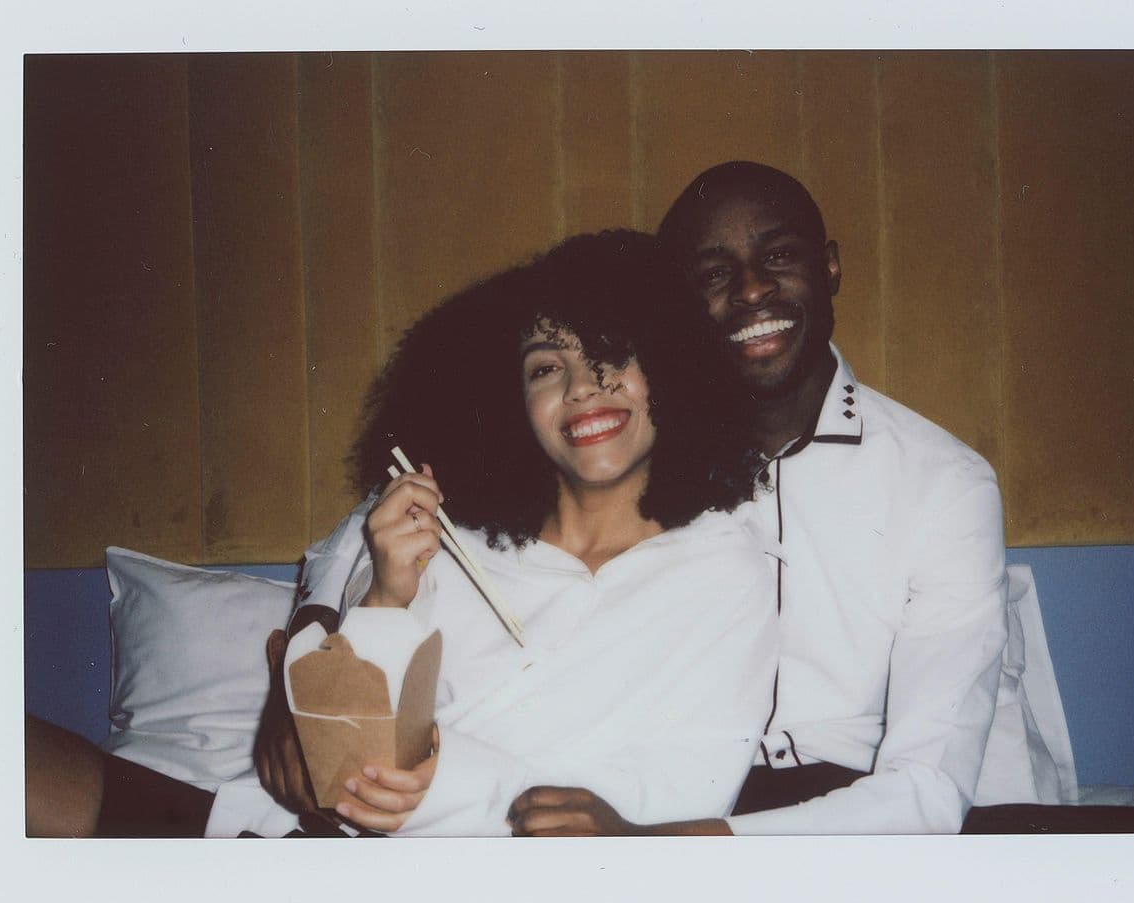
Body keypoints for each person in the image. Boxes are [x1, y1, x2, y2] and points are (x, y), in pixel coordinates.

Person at [206, 228, 780, 837]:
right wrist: (387, 596)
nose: (581, 388)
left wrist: (457, 781)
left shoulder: (725, 568)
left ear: (671, 368)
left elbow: (690, 786)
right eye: (546, 367)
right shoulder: (449, 543)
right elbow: (351, 758)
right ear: (511, 404)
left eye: (611, 353)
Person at [504, 162, 1010, 837]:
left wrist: (656, 848)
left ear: (828, 268)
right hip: (661, 798)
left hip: (848, 823)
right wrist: (321, 623)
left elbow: (925, 791)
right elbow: (407, 502)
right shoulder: (628, 451)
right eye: (713, 274)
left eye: (777, 256)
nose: (750, 290)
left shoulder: (942, 482)